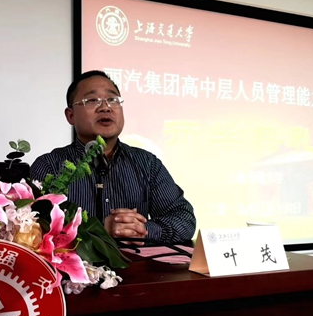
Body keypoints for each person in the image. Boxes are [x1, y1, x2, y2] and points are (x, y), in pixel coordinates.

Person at [31, 70, 196, 245]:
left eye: (112, 99)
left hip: (137, 262)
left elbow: (184, 218)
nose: (105, 107)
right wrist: (99, 231)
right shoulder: (49, 166)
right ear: (70, 115)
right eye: (92, 100)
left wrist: (143, 230)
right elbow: (33, 230)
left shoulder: (147, 164)